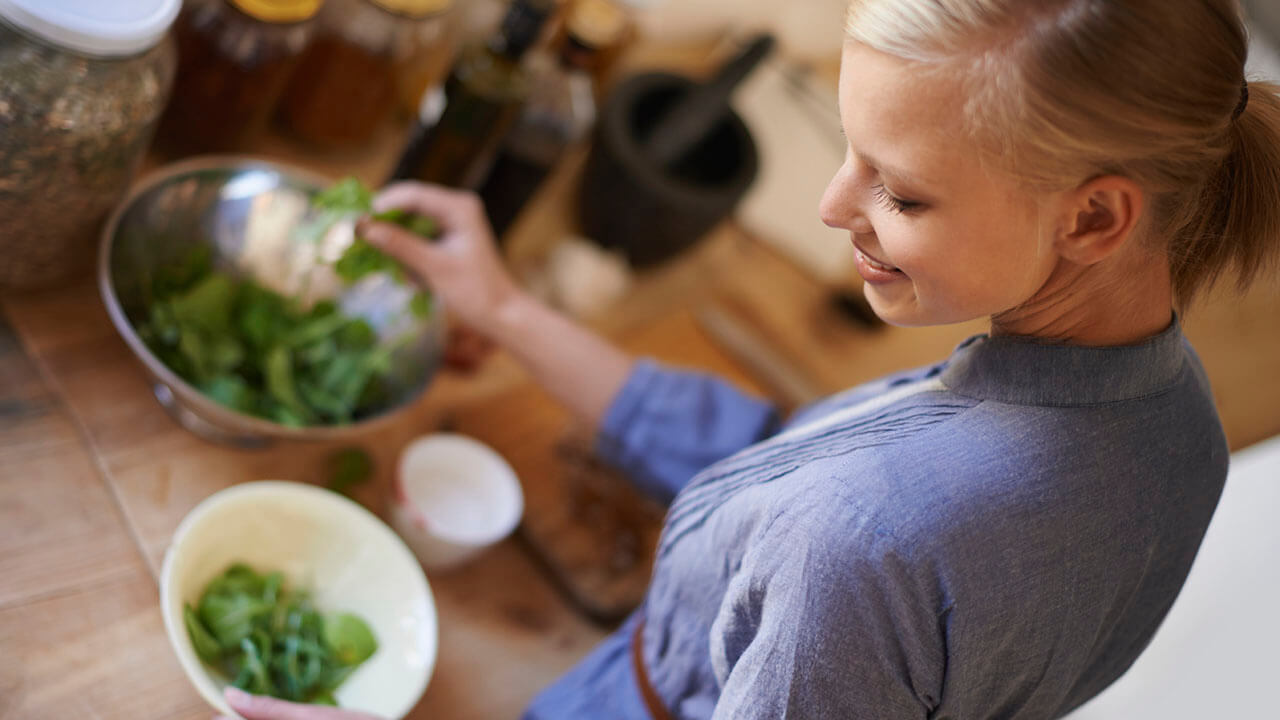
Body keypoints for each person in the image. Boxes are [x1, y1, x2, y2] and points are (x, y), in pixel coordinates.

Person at [216, 0, 1280, 718]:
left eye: (899, 193)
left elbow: (840, 523)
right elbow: (777, 459)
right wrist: (504, 306)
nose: (831, 209)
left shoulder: (866, 541)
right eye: (846, 152)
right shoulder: (1178, 424)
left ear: (1093, 218)